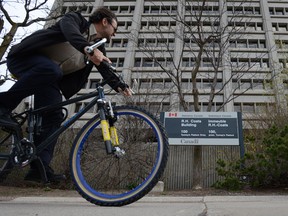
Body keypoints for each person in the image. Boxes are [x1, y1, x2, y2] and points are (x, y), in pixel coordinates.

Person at [0, 7, 132, 183]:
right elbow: (69, 31)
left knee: (55, 115)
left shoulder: (98, 45)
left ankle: (38, 168)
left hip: (47, 79)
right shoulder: (75, 20)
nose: (114, 34)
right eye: (115, 29)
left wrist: (120, 86)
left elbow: (104, 68)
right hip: (24, 60)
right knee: (51, 70)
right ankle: (3, 106)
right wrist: (88, 49)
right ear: (105, 21)